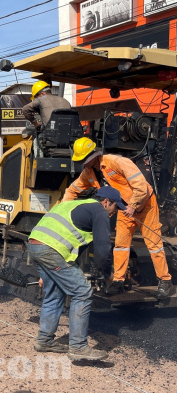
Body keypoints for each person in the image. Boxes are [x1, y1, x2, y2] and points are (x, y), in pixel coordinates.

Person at [64, 137, 173, 299]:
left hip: (145, 205)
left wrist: (133, 206)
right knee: (121, 245)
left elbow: (141, 186)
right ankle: (118, 280)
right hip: (124, 209)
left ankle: (165, 280)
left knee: (154, 244)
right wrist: (63, 209)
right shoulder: (88, 174)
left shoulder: (117, 162)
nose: (82, 164)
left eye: (84, 160)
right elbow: (71, 190)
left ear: (93, 156)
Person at [28, 186, 124, 361]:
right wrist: (107, 274)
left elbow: (72, 243)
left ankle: (44, 340)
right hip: (51, 250)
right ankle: (78, 347)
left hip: (35, 246)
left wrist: (46, 272)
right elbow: (103, 249)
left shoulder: (73, 204)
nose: (114, 212)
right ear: (106, 202)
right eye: (115, 207)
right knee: (83, 292)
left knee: (54, 293)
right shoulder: (99, 212)